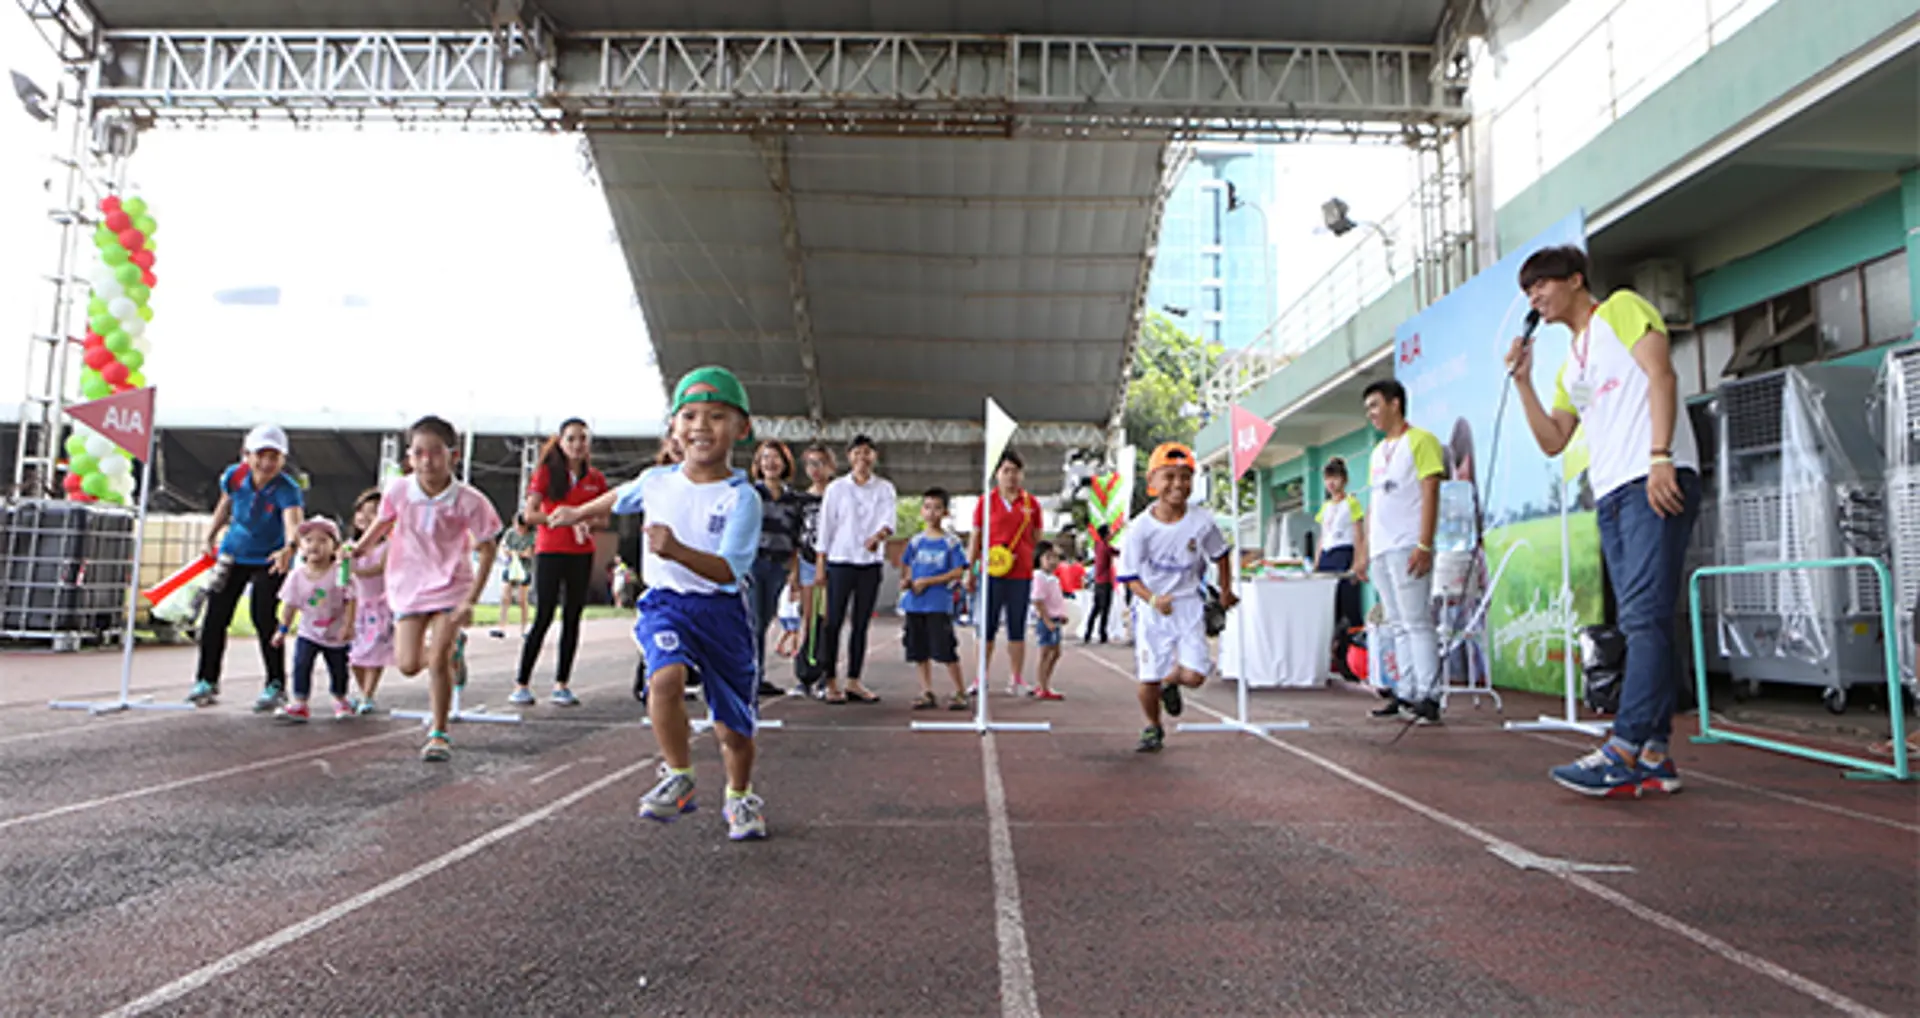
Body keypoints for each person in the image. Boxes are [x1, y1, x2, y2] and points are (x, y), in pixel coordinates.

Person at [1506, 243, 1700, 798]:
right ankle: (1656, 752)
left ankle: (1624, 747)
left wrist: (1660, 455)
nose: (1535, 297)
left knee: (1642, 619)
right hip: (1613, 491)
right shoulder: (1573, 363)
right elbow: (1553, 440)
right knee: (1647, 619)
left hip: (1653, 477)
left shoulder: (1621, 309)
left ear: (1574, 279)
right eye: (1527, 291)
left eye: (1542, 284)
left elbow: (1661, 376)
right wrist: (1524, 382)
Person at [551, 366, 769, 841]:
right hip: (666, 604)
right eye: (689, 415)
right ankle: (680, 775)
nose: (701, 426)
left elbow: (729, 570)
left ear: (741, 429)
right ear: (673, 426)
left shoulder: (742, 498)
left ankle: (739, 795)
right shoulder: (656, 481)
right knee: (664, 678)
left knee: (733, 730)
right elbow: (620, 497)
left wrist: (676, 550)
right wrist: (577, 512)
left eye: (716, 416)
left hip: (721, 612)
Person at [352, 416, 502, 763]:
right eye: (419, 453)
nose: (426, 461)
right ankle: (452, 657)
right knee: (406, 664)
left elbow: (487, 547)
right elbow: (382, 523)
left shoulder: (469, 500)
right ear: (409, 456)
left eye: (435, 453)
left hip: (452, 585)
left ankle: (439, 733)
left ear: (453, 455)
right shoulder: (400, 490)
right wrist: (359, 548)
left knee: (436, 659)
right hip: (408, 584)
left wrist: (471, 599)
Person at [1117, 443, 1237, 753]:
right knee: (1148, 677)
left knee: (1196, 676)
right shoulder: (1140, 528)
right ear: (1152, 483)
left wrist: (1226, 590)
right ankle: (1152, 727)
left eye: (1185, 477)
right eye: (1169, 477)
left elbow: (1221, 555)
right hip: (1152, 607)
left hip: (1188, 604)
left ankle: (1173, 683)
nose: (1178, 484)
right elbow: (1129, 577)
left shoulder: (1202, 521)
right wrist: (1154, 599)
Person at [187, 424, 306, 709]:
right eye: (260, 455)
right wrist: (210, 535)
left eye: (274, 457)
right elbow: (225, 505)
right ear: (247, 455)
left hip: (269, 558)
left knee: (263, 617)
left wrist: (288, 548)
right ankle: (206, 680)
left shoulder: (287, 488)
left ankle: (275, 683)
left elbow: (294, 523)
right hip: (233, 553)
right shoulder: (234, 476)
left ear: (282, 460)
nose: (266, 463)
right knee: (215, 616)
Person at [1358, 379, 1447, 725]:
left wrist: (1424, 544)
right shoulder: (1378, 452)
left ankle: (1429, 695)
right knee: (1395, 623)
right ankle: (1406, 691)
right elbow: (1375, 503)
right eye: (1367, 409)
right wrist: (1364, 551)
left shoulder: (1421, 441)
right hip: (1381, 547)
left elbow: (1430, 492)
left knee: (1416, 622)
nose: (1372, 414)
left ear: (1395, 404)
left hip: (1408, 544)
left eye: (1376, 406)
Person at [512, 418, 608, 707]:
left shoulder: (595, 479)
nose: (578, 444)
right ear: (561, 442)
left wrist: (586, 520)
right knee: (543, 615)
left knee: (572, 617)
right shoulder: (546, 473)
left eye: (583, 438)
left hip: (581, 553)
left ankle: (562, 684)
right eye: (572, 439)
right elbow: (529, 514)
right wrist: (565, 517)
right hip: (550, 550)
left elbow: (604, 517)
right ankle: (522, 682)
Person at [817, 435, 896, 704]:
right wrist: (820, 566)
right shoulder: (837, 488)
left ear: (874, 457)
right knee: (833, 622)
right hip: (840, 561)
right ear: (849, 457)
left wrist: (879, 536)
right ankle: (829, 681)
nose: (863, 458)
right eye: (857, 453)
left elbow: (889, 520)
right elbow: (825, 528)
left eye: (868, 453)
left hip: (870, 564)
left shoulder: (885, 488)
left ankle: (853, 680)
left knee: (861, 624)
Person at [968, 449, 1043, 694]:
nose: (1011, 476)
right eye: (1006, 471)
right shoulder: (985, 502)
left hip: (1021, 575)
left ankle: (1017, 678)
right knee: (986, 627)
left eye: (1015, 471)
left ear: (1022, 475)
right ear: (997, 474)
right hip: (991, 574)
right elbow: (976, 537)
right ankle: (981, 678)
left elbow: (1036, 538)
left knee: (1017, 627)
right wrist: (970, 570)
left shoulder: (1032, 504)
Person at [270, 517, 356, 723]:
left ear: (334, 546)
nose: (314, 545)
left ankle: (340, 698)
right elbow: (290, 605)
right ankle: (300, 702)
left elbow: (351, 599)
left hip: (335, 633)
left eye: (322, 540)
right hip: (308, 631)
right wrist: (282, 629)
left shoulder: (340, 573)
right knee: (301, 663)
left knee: (338, 668)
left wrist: (348, 625)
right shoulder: (296, 576)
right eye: (308, 540)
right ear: (301, 546)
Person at [899, 487, 971, 712]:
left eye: (937, 508)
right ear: (922, 511)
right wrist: (908, 581)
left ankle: (960, 691)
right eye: (928, 507)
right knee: (918, 650)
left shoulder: (950, 543)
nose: (931, 512)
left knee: (945, 648)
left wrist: (928, 582)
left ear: (945, 512)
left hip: (938, 604)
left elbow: (958, 571)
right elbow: (908, 566)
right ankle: (926, 690)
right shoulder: (916, 541)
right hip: (915, 604)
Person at [748, 439, 803, 698]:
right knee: (755, 622)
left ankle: (756, 675)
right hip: (753, 564)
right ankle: (752, 676)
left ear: (785, 463)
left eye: (775, 458)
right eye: (765, 458)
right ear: (758, 464)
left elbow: (796, 539)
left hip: (779, 565)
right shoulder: (751, 495)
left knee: (765, 620)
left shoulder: (793, 499)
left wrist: (794, 572)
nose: (770, 462)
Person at [787, 443, 835, 697]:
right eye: (810, 464)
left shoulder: (837, 495)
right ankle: (805, 674)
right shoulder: (801, 499)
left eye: (820, 463)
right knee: (808, 618)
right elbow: (796, 537)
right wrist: (794, 572)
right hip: (806, 561)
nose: (815, 469)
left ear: (831, 466)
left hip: (832, 563)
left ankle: (827, 675)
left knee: (826, 618)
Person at [347, 488, 393, 714]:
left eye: (373, 513)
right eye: (362, 512)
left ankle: (368, 694)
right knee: (353, 654)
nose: (366, 518)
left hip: (379, 605)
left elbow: (378, 568)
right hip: (355, 606)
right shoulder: (349, 546)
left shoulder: (387, 546)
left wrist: (353, 567)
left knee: (375, 652)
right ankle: (362, 690)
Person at [1315, 458, 1367, 634]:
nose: (1331, 482)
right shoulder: (1326, 507)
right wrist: (1316, 562)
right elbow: (1322, 536)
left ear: (1344, 480)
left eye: (1335, 477)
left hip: (1344, 553)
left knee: (1349, 603)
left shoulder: (1351, 503)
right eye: (1328, 478)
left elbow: (1359, 534)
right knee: (1328, 607)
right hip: (1327, 557)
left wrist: (1358, 562)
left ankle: (1355, 647)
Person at [1028, 540, 1071, 701]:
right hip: (1047, 620)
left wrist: (1061, 614)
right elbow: (1038, 600)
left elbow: (1054, 599)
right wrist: (1047, 620)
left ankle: (1043, 684)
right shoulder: (1040, 577)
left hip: (1054, 618)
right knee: (1046, 653)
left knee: (1055, 652)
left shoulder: (1052, 578)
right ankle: (1042, 685)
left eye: (1056, 558)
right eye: (1048, 557)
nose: (1053, 562)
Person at [493, 515, 535, 638]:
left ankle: (524, 629)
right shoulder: (510, 533)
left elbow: (528, 553)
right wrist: (511, 552)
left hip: (524, 569)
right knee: (505, 597)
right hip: (511, 567)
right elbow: (503, 546)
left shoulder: (531, 536)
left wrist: (515, 552)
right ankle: (501, 626)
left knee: (522, 600)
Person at [1083, 522, 1117, 644]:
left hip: (1098, 582)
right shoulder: (1107, 548)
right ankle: (1102, 633)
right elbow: (1118, 552)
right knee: (1105, 609)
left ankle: (1088, 632)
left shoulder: (1098, 546)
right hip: (1106, 581)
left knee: (1096, 608)